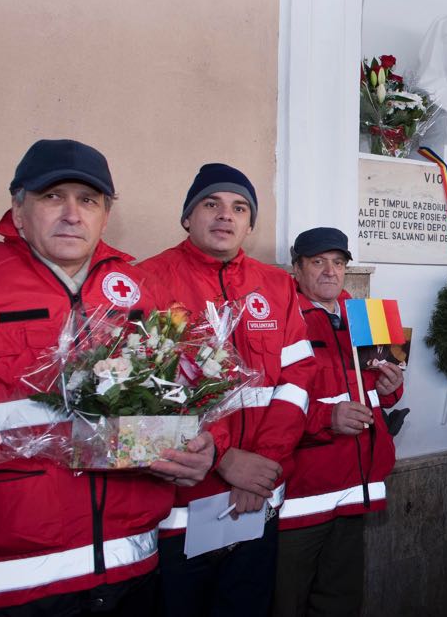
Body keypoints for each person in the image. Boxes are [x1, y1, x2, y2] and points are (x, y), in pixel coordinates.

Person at [0, 139, 213, 615]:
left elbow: (180, 396)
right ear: (18, 210)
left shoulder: (141, 288)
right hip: (16, 580)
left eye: (88, 200)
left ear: (106, 214)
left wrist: (200, 444)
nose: (72, 214)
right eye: (52, 196)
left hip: (133, 566)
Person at [137, 164, 332, 617]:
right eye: (212, 204)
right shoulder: (147, 280)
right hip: (180, 510)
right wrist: (224, 459)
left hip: (257, 501)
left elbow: (297, 381)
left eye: (239, 207)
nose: (226, 216)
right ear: (187, 217)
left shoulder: (277, 285)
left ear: (250, 223)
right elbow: (137, 396)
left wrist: (265, 466)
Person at [274, 227, 403, 616]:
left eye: (338, 262)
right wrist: (328, 417)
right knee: (286, 600)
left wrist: (391, 385)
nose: (330, 271)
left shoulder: (366, 314)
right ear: (297, 269)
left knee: (341, 600)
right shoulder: (284, 318)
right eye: (318, 262)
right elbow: (270, 404)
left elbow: (384, 395)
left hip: (355, 486)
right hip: (301, 493)